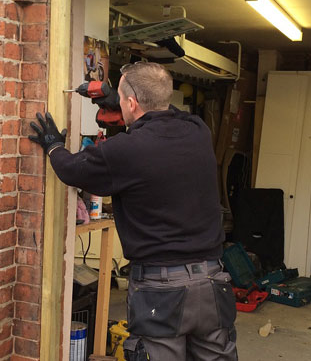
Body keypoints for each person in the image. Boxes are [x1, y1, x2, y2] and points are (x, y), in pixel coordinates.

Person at [29, 62, 237, 361]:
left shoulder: (126, 150)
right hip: (212, 282)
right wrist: (124, 101)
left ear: (131, 102)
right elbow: (165, 114)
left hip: (162, 291)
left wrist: (53, 145)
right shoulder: (197, 130)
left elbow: (72, 169)